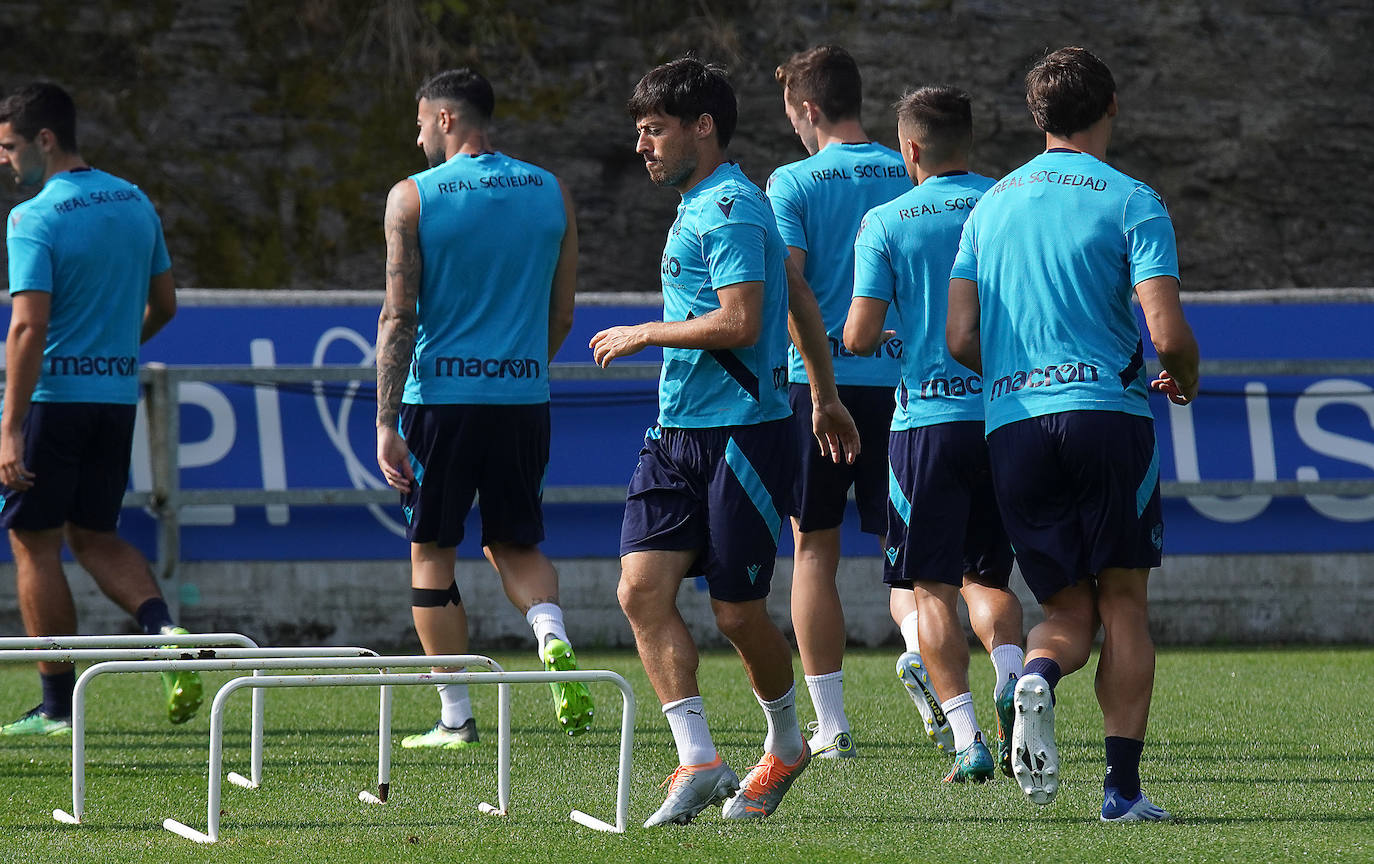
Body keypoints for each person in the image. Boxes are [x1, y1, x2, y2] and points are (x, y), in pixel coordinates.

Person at [591, 56, 858, 827]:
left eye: (654, 131)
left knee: (738, 614)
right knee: (640, 591)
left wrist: (648, 331)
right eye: (640, 132)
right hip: (677, 434)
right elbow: (799, 294)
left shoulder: (734, 207)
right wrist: (829, 395)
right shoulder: (698, 202)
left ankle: (785, 744)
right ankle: (700, 758)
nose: (642, 146)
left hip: (742, 435)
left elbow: (744, 320)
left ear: (702, 128)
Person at [946, 47, 1199, 821]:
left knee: (1067, 609)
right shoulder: (1133, 199)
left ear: (1036, 117)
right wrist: (1184, 376)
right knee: (1123, 600)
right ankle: (1121, 793)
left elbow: (959, 337)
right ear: (1111, 106)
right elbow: (1165, 330)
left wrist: (1024, 370)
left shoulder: (988, 207)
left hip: (1013, 427)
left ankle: (1039, 677)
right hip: (1105, 418)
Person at [374, 68, 587, 749]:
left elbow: (398, 315)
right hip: (523, 398)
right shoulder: (551, 191)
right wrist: (518, 367)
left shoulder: (413, 197)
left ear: (444, 119)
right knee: (515, 542)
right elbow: (561, 314)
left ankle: (456, 716)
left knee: (432, 553)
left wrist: (385, 423)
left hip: (440, 401)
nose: (415, 137)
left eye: (418, 123)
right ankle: (550, 634)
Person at [0, 82, 200, 735]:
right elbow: (167, 305)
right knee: (95, 535)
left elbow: (27, 328)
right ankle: (164, 630)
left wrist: (9, 427)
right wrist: (114, 351)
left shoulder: (33, 217)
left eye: (9, 146)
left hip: (53, 403)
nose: (5, 160)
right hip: (115, 400)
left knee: (34, 543)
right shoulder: (135, 201)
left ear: (45, 140)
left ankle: (57, 708)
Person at [844, 86, 1024, 783]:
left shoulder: (887, 219)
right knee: (990, 576)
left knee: (932, 590)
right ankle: (1014, 675)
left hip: (927, 424)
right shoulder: (1007, 202)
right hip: (1006, 417)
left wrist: (881, 335)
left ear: (909, 149)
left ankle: (968, 740)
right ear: (970, 141)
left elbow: (858, 333)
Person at [766, 45, 911, 758]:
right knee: (906, 542)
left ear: (811, 109)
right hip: (907, 382)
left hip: (819, 385)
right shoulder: (909, 167)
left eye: (793, 114)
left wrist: (820, 383)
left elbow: (790, 288)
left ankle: (832, 724)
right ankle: (920, 648)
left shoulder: (792, 182)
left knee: (812, 548)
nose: (793, 128)